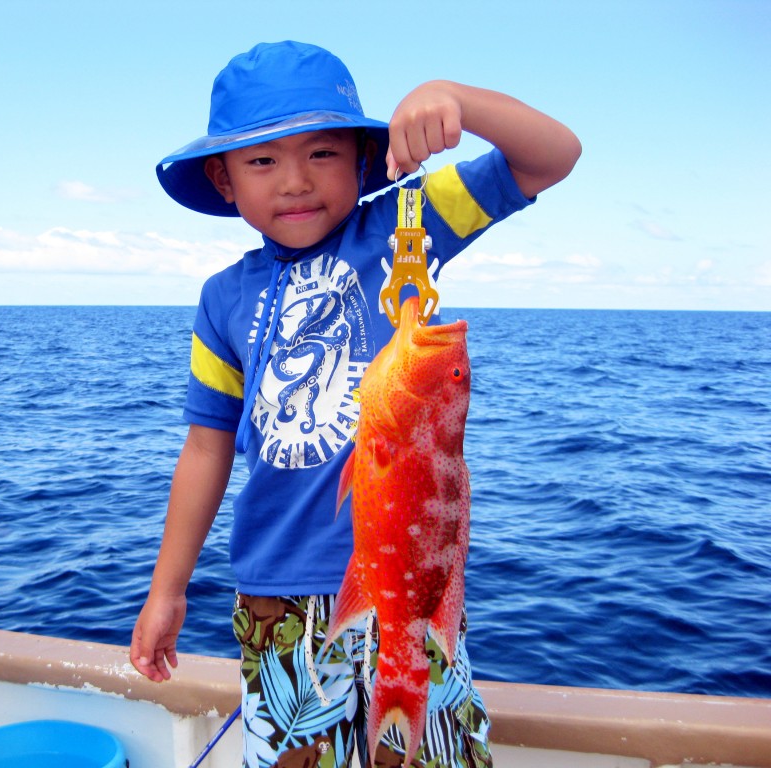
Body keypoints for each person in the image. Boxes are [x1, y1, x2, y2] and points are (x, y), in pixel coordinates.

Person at [131, 41, 580, 768]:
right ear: (223, 180)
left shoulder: (404, 227)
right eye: (263, 161)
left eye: (322, 154)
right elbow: (207, 447)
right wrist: (167, 591)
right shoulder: (221, 300)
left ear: (362, 161)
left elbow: (551, 156)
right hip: (276, 601)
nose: (296, 182)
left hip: (409, 594)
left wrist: (454, 96)